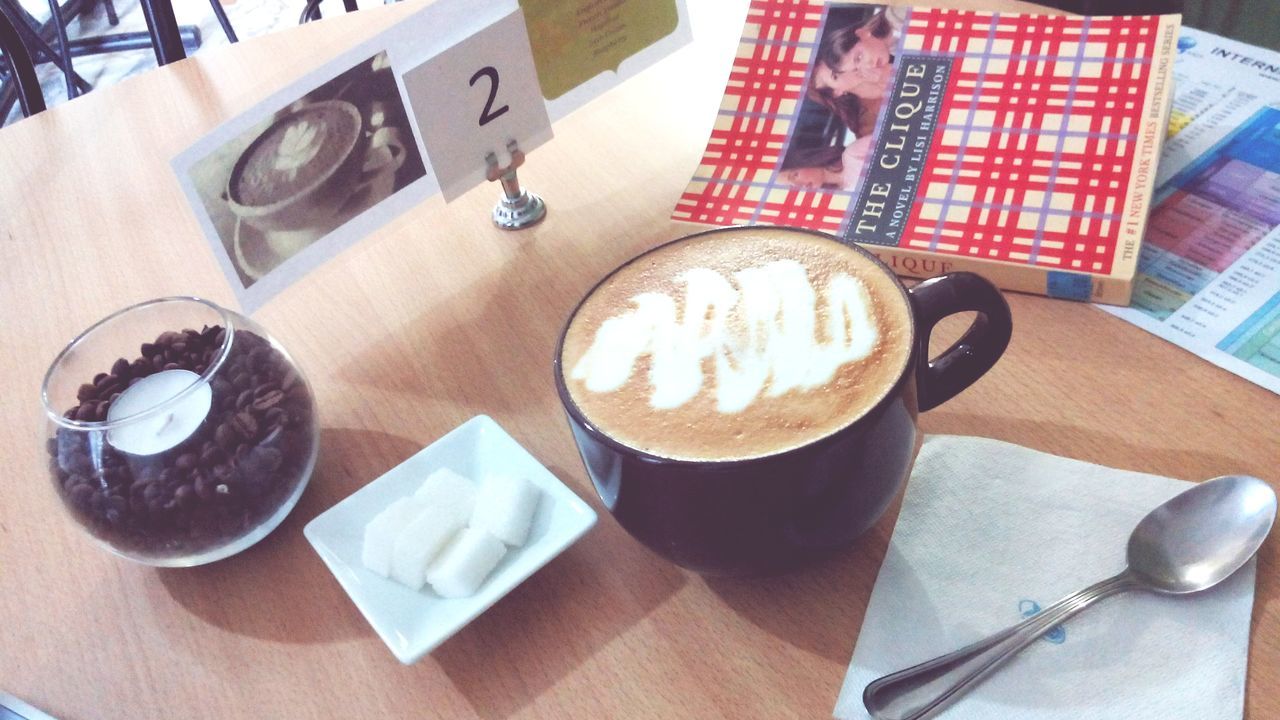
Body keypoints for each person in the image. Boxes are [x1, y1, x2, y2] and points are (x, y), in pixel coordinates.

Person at [806, 10, 898, 138]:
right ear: (836, 92)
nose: (848, 67)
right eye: (835, 75)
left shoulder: (874, 46)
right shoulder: (868, 124)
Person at [779, 135, 874, 191]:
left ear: (805, 161)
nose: (799, 185)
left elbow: (887, 137)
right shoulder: (843, 195)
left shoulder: (852, 154)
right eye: (792, 187)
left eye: (795, 175)